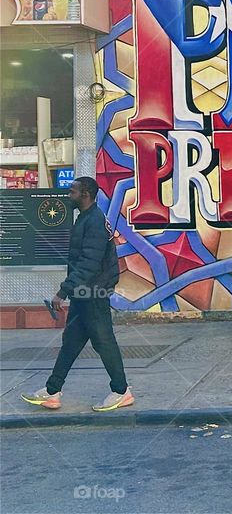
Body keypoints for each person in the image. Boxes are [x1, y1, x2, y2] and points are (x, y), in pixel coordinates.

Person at [21, 176, 134, 412]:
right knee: (71, 343)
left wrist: (63, 291)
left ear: (85, 194)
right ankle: (52, 391)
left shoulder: (94, 221)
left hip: (93, 293)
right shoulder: (85, 218)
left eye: (72, 191)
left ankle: (121, 391)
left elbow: (88, 264)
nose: (68, 195)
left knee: (104, 342)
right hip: (84, 293)